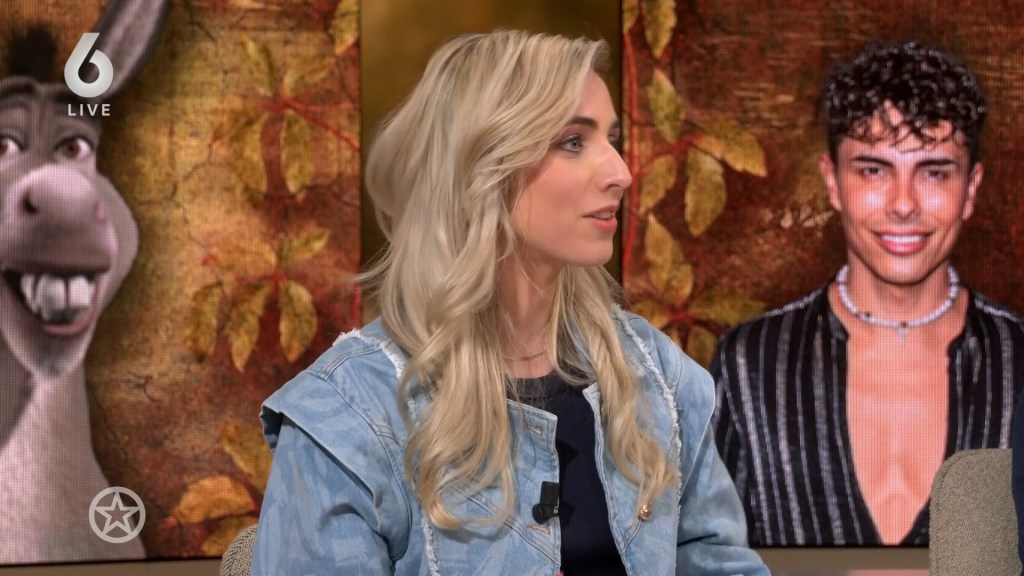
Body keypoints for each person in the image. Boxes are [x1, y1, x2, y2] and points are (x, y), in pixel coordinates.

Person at [251, 30, 768, 575]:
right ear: (482, 166)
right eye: (574, 142)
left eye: (612, 139)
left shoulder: (657, 373)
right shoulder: (345, 416)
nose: (621, 172)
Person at [712, 40, 1024, 546]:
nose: (903, 204)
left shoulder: (1018, 363)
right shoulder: (751, 365)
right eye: (874, 170)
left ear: (971, 189)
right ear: (833, 182)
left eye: (934, 172)